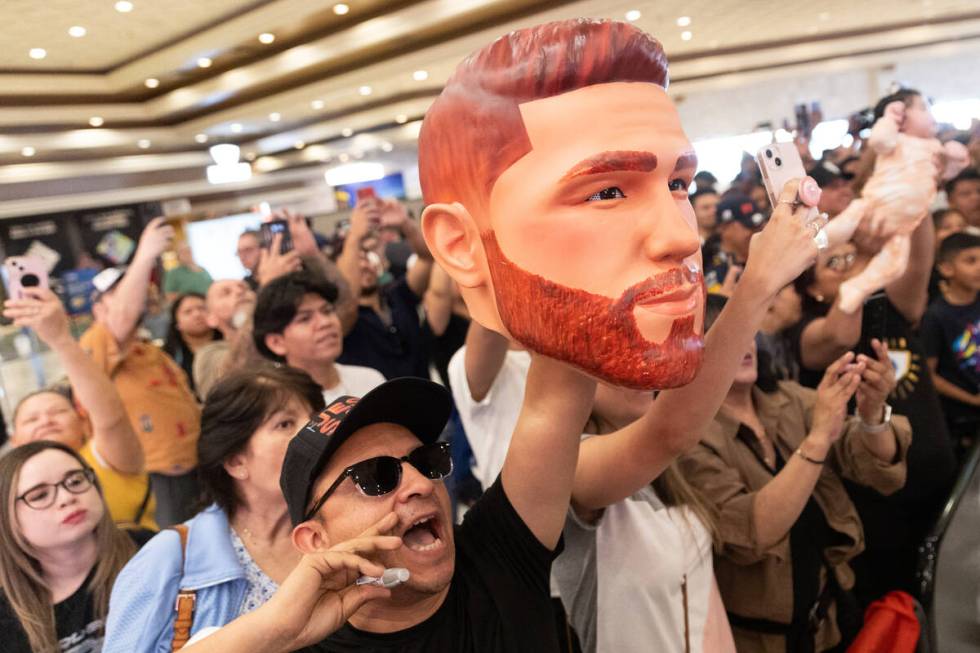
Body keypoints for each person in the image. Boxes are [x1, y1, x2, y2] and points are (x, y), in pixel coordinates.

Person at [679, 295, 911, 653]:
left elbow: (876, 468)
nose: (745, 344)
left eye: (747, 330)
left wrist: (872, 411)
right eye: (723, 335)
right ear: (686, 353)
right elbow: (750, 533)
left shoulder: (786, 398)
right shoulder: (687, 437)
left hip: (832, 614)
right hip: (757, 639)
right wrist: (818, 438)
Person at [790, 217, 957, 607]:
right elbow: (838, 336)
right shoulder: (807, 330)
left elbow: (918, 261)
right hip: (874, 500)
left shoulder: (894, 307)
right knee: (895, 604)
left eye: (853, 257)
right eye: (835, 262)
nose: (851, 265)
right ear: (812, 288)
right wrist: (865, 258)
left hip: (938, 479)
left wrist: (913, 194)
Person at [103, 366, 325, 652]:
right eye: (285, 424)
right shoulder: (171, 558)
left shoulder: (339, 531)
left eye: (316, 420)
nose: (313, 434)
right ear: (235, 461)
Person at [80, 218, 202, 528]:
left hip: (196, 468)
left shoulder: (148, 349)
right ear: (98, 309)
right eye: (118, 294)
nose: (132, 297)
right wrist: (144, 256)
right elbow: (122, 318)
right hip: (156, 480)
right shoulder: (96, 341)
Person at [4, 287, 156, 530]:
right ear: (14, 440)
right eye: (31, 420)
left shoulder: (106, 458)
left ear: (82, 423)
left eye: (58, 412)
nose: (45, 420)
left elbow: (111, 417)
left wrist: (60, 339)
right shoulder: (9, 487)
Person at [0, 441, 150, 652]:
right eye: (40, 495)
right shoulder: (7, 618)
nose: (67, 497)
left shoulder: (147, 547)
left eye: (75, 481)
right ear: (7, 520)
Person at [336, 197, 434, 379]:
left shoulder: (397, 295)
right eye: (356, 260)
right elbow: (348, 298)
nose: (364, 265)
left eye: (367, 258)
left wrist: (405, 224)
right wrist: (354, 235)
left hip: (426, 399)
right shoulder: (344, 318)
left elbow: (427, 258)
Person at [253, 271, 384, 404]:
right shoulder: (273, 405)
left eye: (327, 311)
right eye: (305, 319)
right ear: (276, 343)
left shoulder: (370, 381)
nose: (325, 322)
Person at [921, 231, 980, 452]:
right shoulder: (936, 316)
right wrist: (972, 400)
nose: (979, 267)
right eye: (970, 261)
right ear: (946, 268)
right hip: (964, 416)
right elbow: (930, 376)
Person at [704, 193, 766, 294]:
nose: (757, 232)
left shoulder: (765, 256)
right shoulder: (716, 273)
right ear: (723, 228)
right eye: (749, 226)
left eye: (759, 226)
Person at [162, 293, 221, 396]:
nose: (197, 314)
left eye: (202, 308)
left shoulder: (230, 345)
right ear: (177, 324)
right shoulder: (168, 356)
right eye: (188, 312)